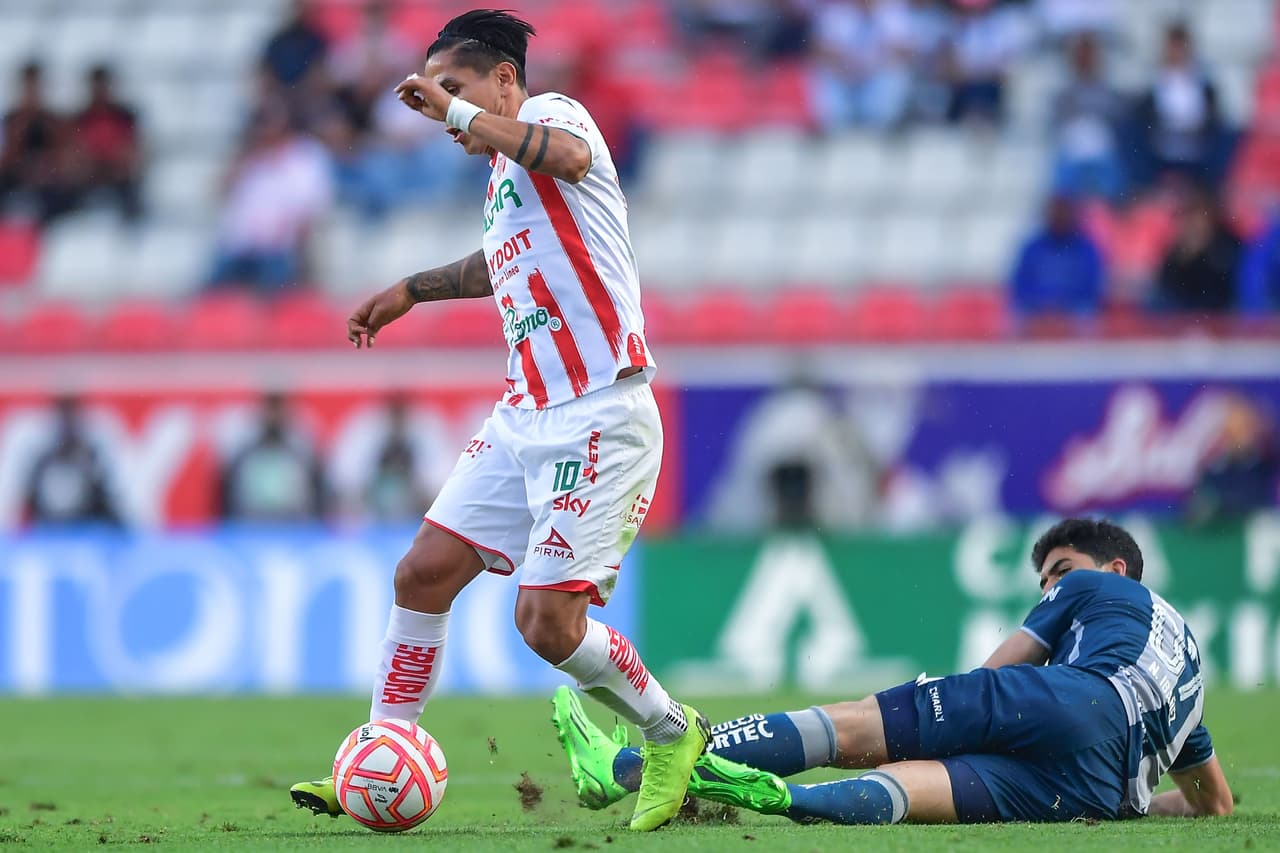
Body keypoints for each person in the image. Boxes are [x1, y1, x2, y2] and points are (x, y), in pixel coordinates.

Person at [288, 10, 708, 833]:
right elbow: (501, 260)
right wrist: (410, 288)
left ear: (505, 82)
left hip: (597, 413)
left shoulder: (555, 118)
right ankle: (383, 749)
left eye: (456, 87)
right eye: (437, 93)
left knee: (548, 625)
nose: (442, 109)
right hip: (523, 414)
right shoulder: (504, 178)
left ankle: (670, 729)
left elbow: (572, 158)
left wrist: (449, 113)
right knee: (422, 573)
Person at [552, 518, 1235, 824]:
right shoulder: (1190, 680)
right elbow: (1213, 805)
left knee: (855, 728)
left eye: (1055, 572)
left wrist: (945, 708)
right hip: (1095, 787)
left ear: (1113, 567)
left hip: (1074, 702)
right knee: (914, 792)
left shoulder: (1097, 588)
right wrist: (1139, 802)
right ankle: (782, 799)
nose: (1047, 587)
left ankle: (629, 769)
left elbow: (997, 669)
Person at [23, 395, 122, 526]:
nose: (67, 421)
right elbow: (30, 508)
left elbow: (108, 504)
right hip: (51, 536)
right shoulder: (43, 461)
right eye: (63, 414)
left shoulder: (91, 459)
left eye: (71, 414)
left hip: (87, 534)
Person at [1010, 194, 1106, 317]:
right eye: (1055, 214)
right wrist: (1044, 303)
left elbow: (1091, 286)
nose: (1059, 218)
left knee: (1086, 312)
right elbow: (1021, 286)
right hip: (1036, 309)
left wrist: (1063, 304)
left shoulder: (1086, 248)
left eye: (1063, 213)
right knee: (1017, 314)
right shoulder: (1032, 248)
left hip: (1074, 309)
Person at [70, 65, 142, 222]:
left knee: (132, 196)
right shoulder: (81, 117)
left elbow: (132, 148)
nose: (100, 91)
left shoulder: (125, 116)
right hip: (90, 173)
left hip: (117, 173)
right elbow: (75, 150)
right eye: (97, 87)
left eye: (103, 86)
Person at [1152, 187, 1241, 313]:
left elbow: (1225, 293)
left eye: (1198, 219)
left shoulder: (1227, 248)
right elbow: (1168, 296)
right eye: (1188, 220)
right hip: (1182, 321)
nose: (1194, 226)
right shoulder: (1173, 254)